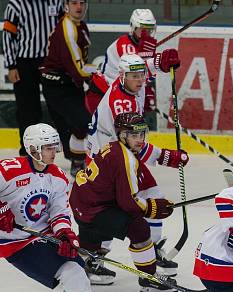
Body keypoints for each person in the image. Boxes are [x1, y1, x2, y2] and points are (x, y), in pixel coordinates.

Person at [0, 123, 120, 292]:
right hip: (14, 243)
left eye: (55, 147)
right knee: (72, 272)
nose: (54, 152)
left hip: (40, 236)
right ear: (33, 148)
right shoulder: (9, 170)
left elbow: (59, 211)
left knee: (76, 270)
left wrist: (65, 234)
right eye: (48, 147)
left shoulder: (58, 176)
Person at [83, 53, 187, 284]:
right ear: (122, 76)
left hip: (118, 152)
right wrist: (167, 157)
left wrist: (161, 62)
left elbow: (145, 67)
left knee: (153, 195)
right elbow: (133, 143)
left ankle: (152, 249)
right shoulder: (122, 104)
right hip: (107, 158)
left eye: (142, 76)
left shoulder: (129, 81)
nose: (140, 80)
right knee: (111, 208)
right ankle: (93, 259)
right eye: (135, 76)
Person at [69, 112, 176, 292]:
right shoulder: (125, 158)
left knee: (97, 228)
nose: (140, 139)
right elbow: (129, 202)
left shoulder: (112, 146)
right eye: (134, 135)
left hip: (81, 202)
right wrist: (152, 207)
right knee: (139, 228)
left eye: (142, 134)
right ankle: (149, 278)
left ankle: (86, 265)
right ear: (122, 135)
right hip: (93, 208)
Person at [85, 8, 180, 114]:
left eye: (150, 29)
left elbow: (141, 76)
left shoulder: (146, 46)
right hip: (101, 96)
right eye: (143, 29)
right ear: (133, 27)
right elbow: (134, 72)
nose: (147, 33)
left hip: (118, 96)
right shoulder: (124, 45)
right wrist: (159, 62)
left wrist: (146, 90)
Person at [39, 0, 95, 176]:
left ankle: (77, 159)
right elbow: (78, 68)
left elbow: (80, 64)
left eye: (82, 3)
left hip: (69, 83)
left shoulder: (81, 26)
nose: (79, 7)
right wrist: (99, 74)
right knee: (81, 121)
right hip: (56, 86)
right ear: (66, 5)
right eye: (74, 3)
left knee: (74, 125)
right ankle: (77, 162)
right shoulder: (68, 28)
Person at [2, 0, 63, 156]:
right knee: (27, 109)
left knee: (58, 105)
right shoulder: (16, 5)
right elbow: (8, 35)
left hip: (50, 62)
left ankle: (66, 149)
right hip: (25, 63)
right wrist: (11, 65)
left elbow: (65, 30)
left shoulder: (57, 2)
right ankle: (27, 150)